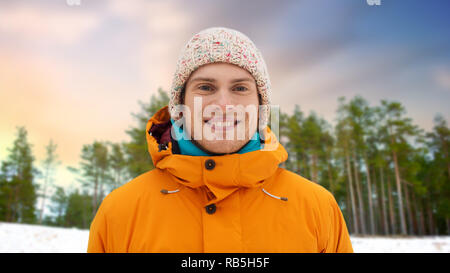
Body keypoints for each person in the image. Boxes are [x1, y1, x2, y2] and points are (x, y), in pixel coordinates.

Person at [87, 27, 353, 253]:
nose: (223, 105)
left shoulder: (317, 208)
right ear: (180, 104)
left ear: (261, 105)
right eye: (205, 87)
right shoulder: (120, 212)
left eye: (240, 88)